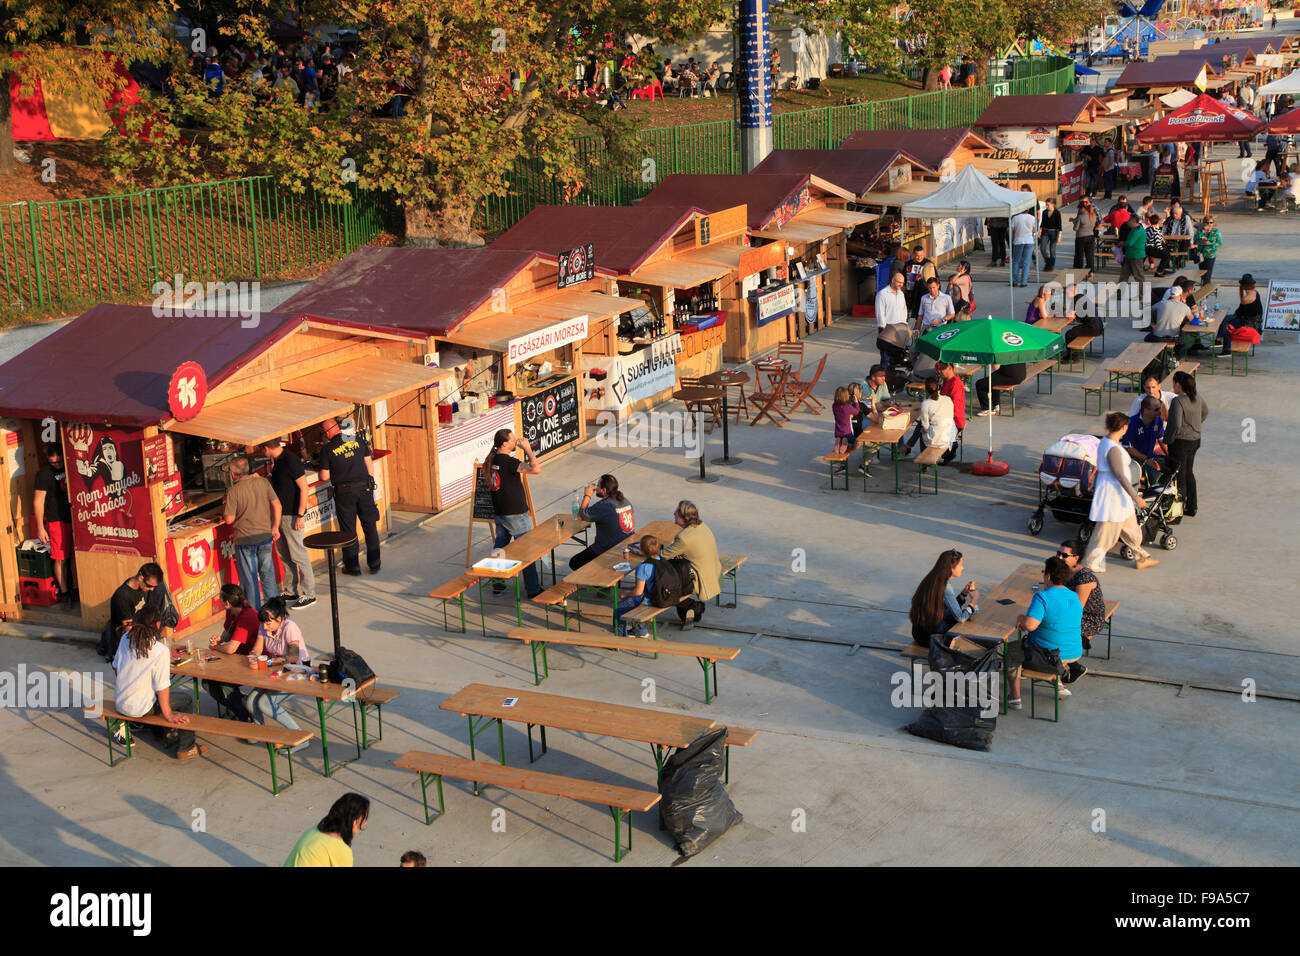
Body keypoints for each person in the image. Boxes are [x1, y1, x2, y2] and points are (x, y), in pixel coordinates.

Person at [112, 607, 205, 759]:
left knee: (155, 696)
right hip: (140, 708)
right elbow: (162, 686)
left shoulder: (126, 639)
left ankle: (162, 733)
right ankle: (186, 747)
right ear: (157, 625)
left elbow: (115, 668)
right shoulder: (159, 650)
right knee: (185, 700)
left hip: (121, 702)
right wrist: (168, 714)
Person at [1083, 412, 1159, 573]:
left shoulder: (1107, 442)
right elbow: (1120, 475)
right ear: (1124, 427)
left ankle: (1142, 557)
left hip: (1120, 496)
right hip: (1113, 496)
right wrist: (1135, 497)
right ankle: (1090, 562)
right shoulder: (1113, 449)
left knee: (1132, 529)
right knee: (1105, 533)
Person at [1005, 557, 1085, 708]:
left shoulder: (1043, 597)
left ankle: (1015, 697)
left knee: (1011, 652)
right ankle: (1059, 685)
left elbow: (1029, 625)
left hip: (1050, 653)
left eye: (1043, 571)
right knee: (1053, 643)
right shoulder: (1074, 596)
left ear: (1048, 576)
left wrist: (1021, 618)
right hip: (1073, 651)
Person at [484, 429, 543, 599]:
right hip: (515, 514)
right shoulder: (508, 462)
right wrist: (528, 449)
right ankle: (532, 588)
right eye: (513, 439)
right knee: (526, 550)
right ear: (504, 444)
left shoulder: (492, 459)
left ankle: (497, 582)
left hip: (500, 512)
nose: (516, 440)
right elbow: (536, 469)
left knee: (500, 548)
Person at [245, 597, 310, 748]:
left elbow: (293, 657)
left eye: (268, 623)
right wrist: (253, 655)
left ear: (279, 619)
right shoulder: (264, 626)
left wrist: (269, 662)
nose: (265, 627)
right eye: (263, 623)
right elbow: (257, 648)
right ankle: (261, 731)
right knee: (250, 702)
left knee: (265, 703)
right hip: (276, 673)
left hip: (297, 673)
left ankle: (300, 738)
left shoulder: (290, 627)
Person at [319, 416, 381, 576]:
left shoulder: (327, 449)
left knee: (348, 531)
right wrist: (367, 482)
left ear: (327, 431)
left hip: (345, 493)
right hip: (365, 489)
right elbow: (369, 463)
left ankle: (353, 567)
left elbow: (324, 477)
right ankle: (374, 564)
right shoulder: (358, 440)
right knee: (370, 526)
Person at [262, 439, 315, 608]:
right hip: (280, 514)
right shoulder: (278, 462)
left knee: (298, 554)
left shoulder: (290, 460)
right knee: (285, 554)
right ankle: (291, 591)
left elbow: (304, 488)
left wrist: (300, 514)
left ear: (266, 448)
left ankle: (309, 593)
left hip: (292, 515)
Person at [223, 456, 280, 610]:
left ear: (233, 474)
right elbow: (277, 505)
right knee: (268, 573)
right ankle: (274, 609)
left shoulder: (233, 491)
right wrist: (275, 526)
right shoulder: (263, 482)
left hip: (245, 540)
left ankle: (254, 613)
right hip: (265, 536)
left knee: (250, 579)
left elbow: (229, 519)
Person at [659, 500, 721, 631]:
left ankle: (694, 607)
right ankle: (692, 609)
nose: (674, 515)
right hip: (713, 571)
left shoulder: (684, 538)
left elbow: (663, 556)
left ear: (683, 518)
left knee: (664, 588)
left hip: (699, 579)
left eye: (676, 513)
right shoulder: (702, 526)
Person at [32, 443, 74, 608]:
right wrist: (40, 527)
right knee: (60, 558)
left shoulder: (70, 464)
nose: (57, 465)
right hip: (56, 519)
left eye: (59, 462)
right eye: (53, 462)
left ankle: (76, 589)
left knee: (74, 557)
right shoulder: (43, 474)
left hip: (73, 515)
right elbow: (38, 500)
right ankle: (64, 593)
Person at [907, 549, 978, 647]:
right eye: (960, 565)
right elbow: (960, 618)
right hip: (932, 637)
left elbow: (949, 605)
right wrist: (974, 600)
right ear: (951, 568)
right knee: (968, 619)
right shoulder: (945, 587)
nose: (962, 568)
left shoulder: (933, 578)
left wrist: (964, 594)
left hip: (919, 633)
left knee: (966, 612)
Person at [569, 474, 635, 571]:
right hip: (627, 547)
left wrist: (587, 495)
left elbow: (580, 516)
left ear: (604, 490)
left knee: (574, 563)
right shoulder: (624, 500)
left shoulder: (604, 505)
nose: (595, 488)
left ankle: (596, 584)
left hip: (609, 551)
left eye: (598, 486)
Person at [284, 792, 369, 866]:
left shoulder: (314, 830)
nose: (365, 822)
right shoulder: (341, 850)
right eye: (364, 818)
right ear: (354, 821)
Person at [1166, 370, 1207, 518]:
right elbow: (1205, 412)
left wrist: (1167, 440)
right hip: (1195, 440)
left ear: (1178, 385)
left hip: (1180, 442)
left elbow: (1175, 425)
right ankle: (1192, 505)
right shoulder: (1197, 397)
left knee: (1179, 474)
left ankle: (1180, 506)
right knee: (1189, 471)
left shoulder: (1178, 401)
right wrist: (1195, 425)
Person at [103, 562, 164, 660]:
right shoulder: (123, 597)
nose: (152, 589)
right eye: (149, 586)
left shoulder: (142, 588)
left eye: (154, 587)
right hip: (126, 645)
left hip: (139, 640)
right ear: (140, 578)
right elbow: (129, 629)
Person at [1058, 539, 1106, 653]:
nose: (1059, 557)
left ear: (1076, 558)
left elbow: (1077, 609)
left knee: (1051, 624)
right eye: (1058, 553)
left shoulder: (1085, 579)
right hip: (1070, 609)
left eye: (1064, 555)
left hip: (1089, 619)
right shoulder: (1065, 571)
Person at [615, 533, 660, 637]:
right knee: (633, 597)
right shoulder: (660, 560)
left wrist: (625, 594)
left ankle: (620, 636)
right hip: (660, 595)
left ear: (642, 550)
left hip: (650, 600)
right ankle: (640, 631)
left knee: (619, 607)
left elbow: (638, 592)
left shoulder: (643, 567)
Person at [900, 376, 954, 459]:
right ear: (939, 387)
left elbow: (925, 427)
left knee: (922, 430)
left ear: (926, 390)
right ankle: (908, 446)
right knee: (923, 426)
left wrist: (925, 429)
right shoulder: (948, 399)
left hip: (937, 440)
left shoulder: (926, 403)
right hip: (948, 436)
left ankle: (923, 459)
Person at [1123, 395, 1168, 485]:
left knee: (1172, 469)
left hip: (1150, 456)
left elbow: (1161, 440)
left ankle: (1162, 494)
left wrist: (1169, 456)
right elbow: (1129, 448)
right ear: (1146, 410)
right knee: (1153, 473)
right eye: (1156, 409)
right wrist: (1147, 460)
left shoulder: (1158, 420)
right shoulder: (1132, 423)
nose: (1160, 412)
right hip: (1135, 460)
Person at [1217, 274, 1263, 356]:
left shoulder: (1246, 299)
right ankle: (1219, 340)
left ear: (1243, 286)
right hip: (1255, 322)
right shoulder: (1256, 293)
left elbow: (1238, 313)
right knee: (1227, 319)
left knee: (1227, 324)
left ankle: (1222, 344)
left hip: (1249, 324)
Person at [1146, 279, 1192, 360]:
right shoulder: (1185, 307)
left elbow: (1149, 310)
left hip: (1158, 336)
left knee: (1147, 338)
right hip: (1173, 337)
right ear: (1181, 295)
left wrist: (1153, 323)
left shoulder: (1161, 303)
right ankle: (1175, 357)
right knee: (1191, 340)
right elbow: (1192, 320)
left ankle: (1163, 354)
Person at [875, 270, 911, 369]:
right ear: (892, 280)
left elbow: (904, 310)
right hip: (887, 330)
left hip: (899, 331)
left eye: (902, 283)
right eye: (899, 282)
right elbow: (880, 313)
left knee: (895, 359)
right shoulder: (882, 294)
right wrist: (883, 328)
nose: (901, 284)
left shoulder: (901, 294)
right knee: (886, 358)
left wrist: (904, 325)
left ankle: (890, 379)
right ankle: (883, 380)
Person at [935, 362, 965, 464]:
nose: (939, 372)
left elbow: (955, 408)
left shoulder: (955, 383)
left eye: (941, 369)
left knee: (926, 428)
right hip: (947, 416)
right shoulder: (947, 380)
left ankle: (947, 452)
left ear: (949, 368)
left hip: (954, 420)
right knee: (922, 424)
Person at [902, 245, 937, 317]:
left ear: (924, 254)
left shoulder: (928, 264)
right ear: (913, 255)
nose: (919, 257)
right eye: (917, 255)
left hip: (923, 293)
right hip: (910, 293)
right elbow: (903, 277)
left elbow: (935, 279)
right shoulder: (908, 264)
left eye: (921, 255)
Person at [1010, 204, 1037, 288]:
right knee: (1026, 262)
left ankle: (1014, 281)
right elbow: (1034, 230)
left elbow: (1011, 230)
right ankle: (1023, 282)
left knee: (1016, 261)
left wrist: (1011, 240)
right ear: (1028, 209)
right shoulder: (1032, 218)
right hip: (1029, 241)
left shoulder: (1015, 218)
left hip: (1018, 240)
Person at [1119, 210, 1147, 285]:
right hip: (1130, 255)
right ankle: (1120, 294)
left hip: (1136, 256)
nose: (1127, 222)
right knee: (1123, 276)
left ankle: (1143, 295)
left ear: (1134, 221)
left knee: (1138, 277)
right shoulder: (1134, 229)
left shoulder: (1137, 231)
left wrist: (1122, 243)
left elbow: (1130, 243)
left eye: (1129, 220)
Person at [1071, 198, 1098, 273]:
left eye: (1080, 208)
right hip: (1090, 236)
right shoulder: (1093, 216)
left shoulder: (1081, 217)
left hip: (1081, 237)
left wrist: (1074, 222)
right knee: (1089, 255)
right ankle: (1091, 270)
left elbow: (1075, 228)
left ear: (1083, 208)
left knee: (1080, 254)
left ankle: (1079, 270)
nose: (1079, 210)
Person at [1193, 216, 1221, 283]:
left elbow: (1219, 243)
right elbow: (1195, 240)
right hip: (1201, 254)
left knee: (1207, 275)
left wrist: (1210, 243)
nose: (1209, 224)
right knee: (1202, 273)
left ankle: (1206, 287)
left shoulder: (1216, 231)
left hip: (1210, 255)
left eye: (1211, 222)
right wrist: (1202, 232)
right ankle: (1204, 287)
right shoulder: (1200, 231)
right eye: (1207, 222)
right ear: (1203, 223)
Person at [1038, 197, 1062, 272]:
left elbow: (1059, 225)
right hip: (1045, 231)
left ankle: (1050, 266)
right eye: (1046, 205)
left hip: (1054, 232)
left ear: (1053, 204)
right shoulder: (1045, 212)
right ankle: (1048, 262)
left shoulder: (1057, 213)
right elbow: (1042, 223)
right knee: (1042, 248)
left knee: (1052, 250)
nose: (1046, 206)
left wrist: (1059, 236)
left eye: (1048, 205)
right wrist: (1040, 231)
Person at [831, 386, 855, 455]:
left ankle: (839, 440)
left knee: (840, 437)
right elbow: (856, 411)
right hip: (847, 432)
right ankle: (844, 443)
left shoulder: (834, 406)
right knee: (852, 441)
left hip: (838, 432)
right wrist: (856, 403)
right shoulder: (847, 406)